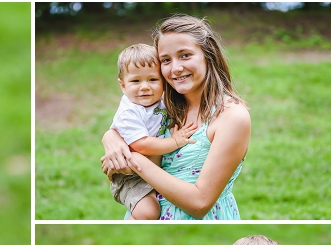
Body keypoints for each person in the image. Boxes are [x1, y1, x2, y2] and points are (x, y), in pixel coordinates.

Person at [101, 15, 249, 220]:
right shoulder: (167, 104)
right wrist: (111, 138)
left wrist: (132, 158)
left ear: (209, 55)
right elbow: (129, 122)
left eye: (185, 55)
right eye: (166, 60)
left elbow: (200, 203)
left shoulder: (231, 116)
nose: (176, 68)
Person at [108, 43, 197, 220]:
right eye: (135, 81)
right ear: (123, 85)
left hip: (154, 169)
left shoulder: (160, 100)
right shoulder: (129, 112)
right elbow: (141, 145)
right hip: (132, 175)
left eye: (152, 80)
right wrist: (175, 142)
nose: (145, 87)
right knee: (148, 212)